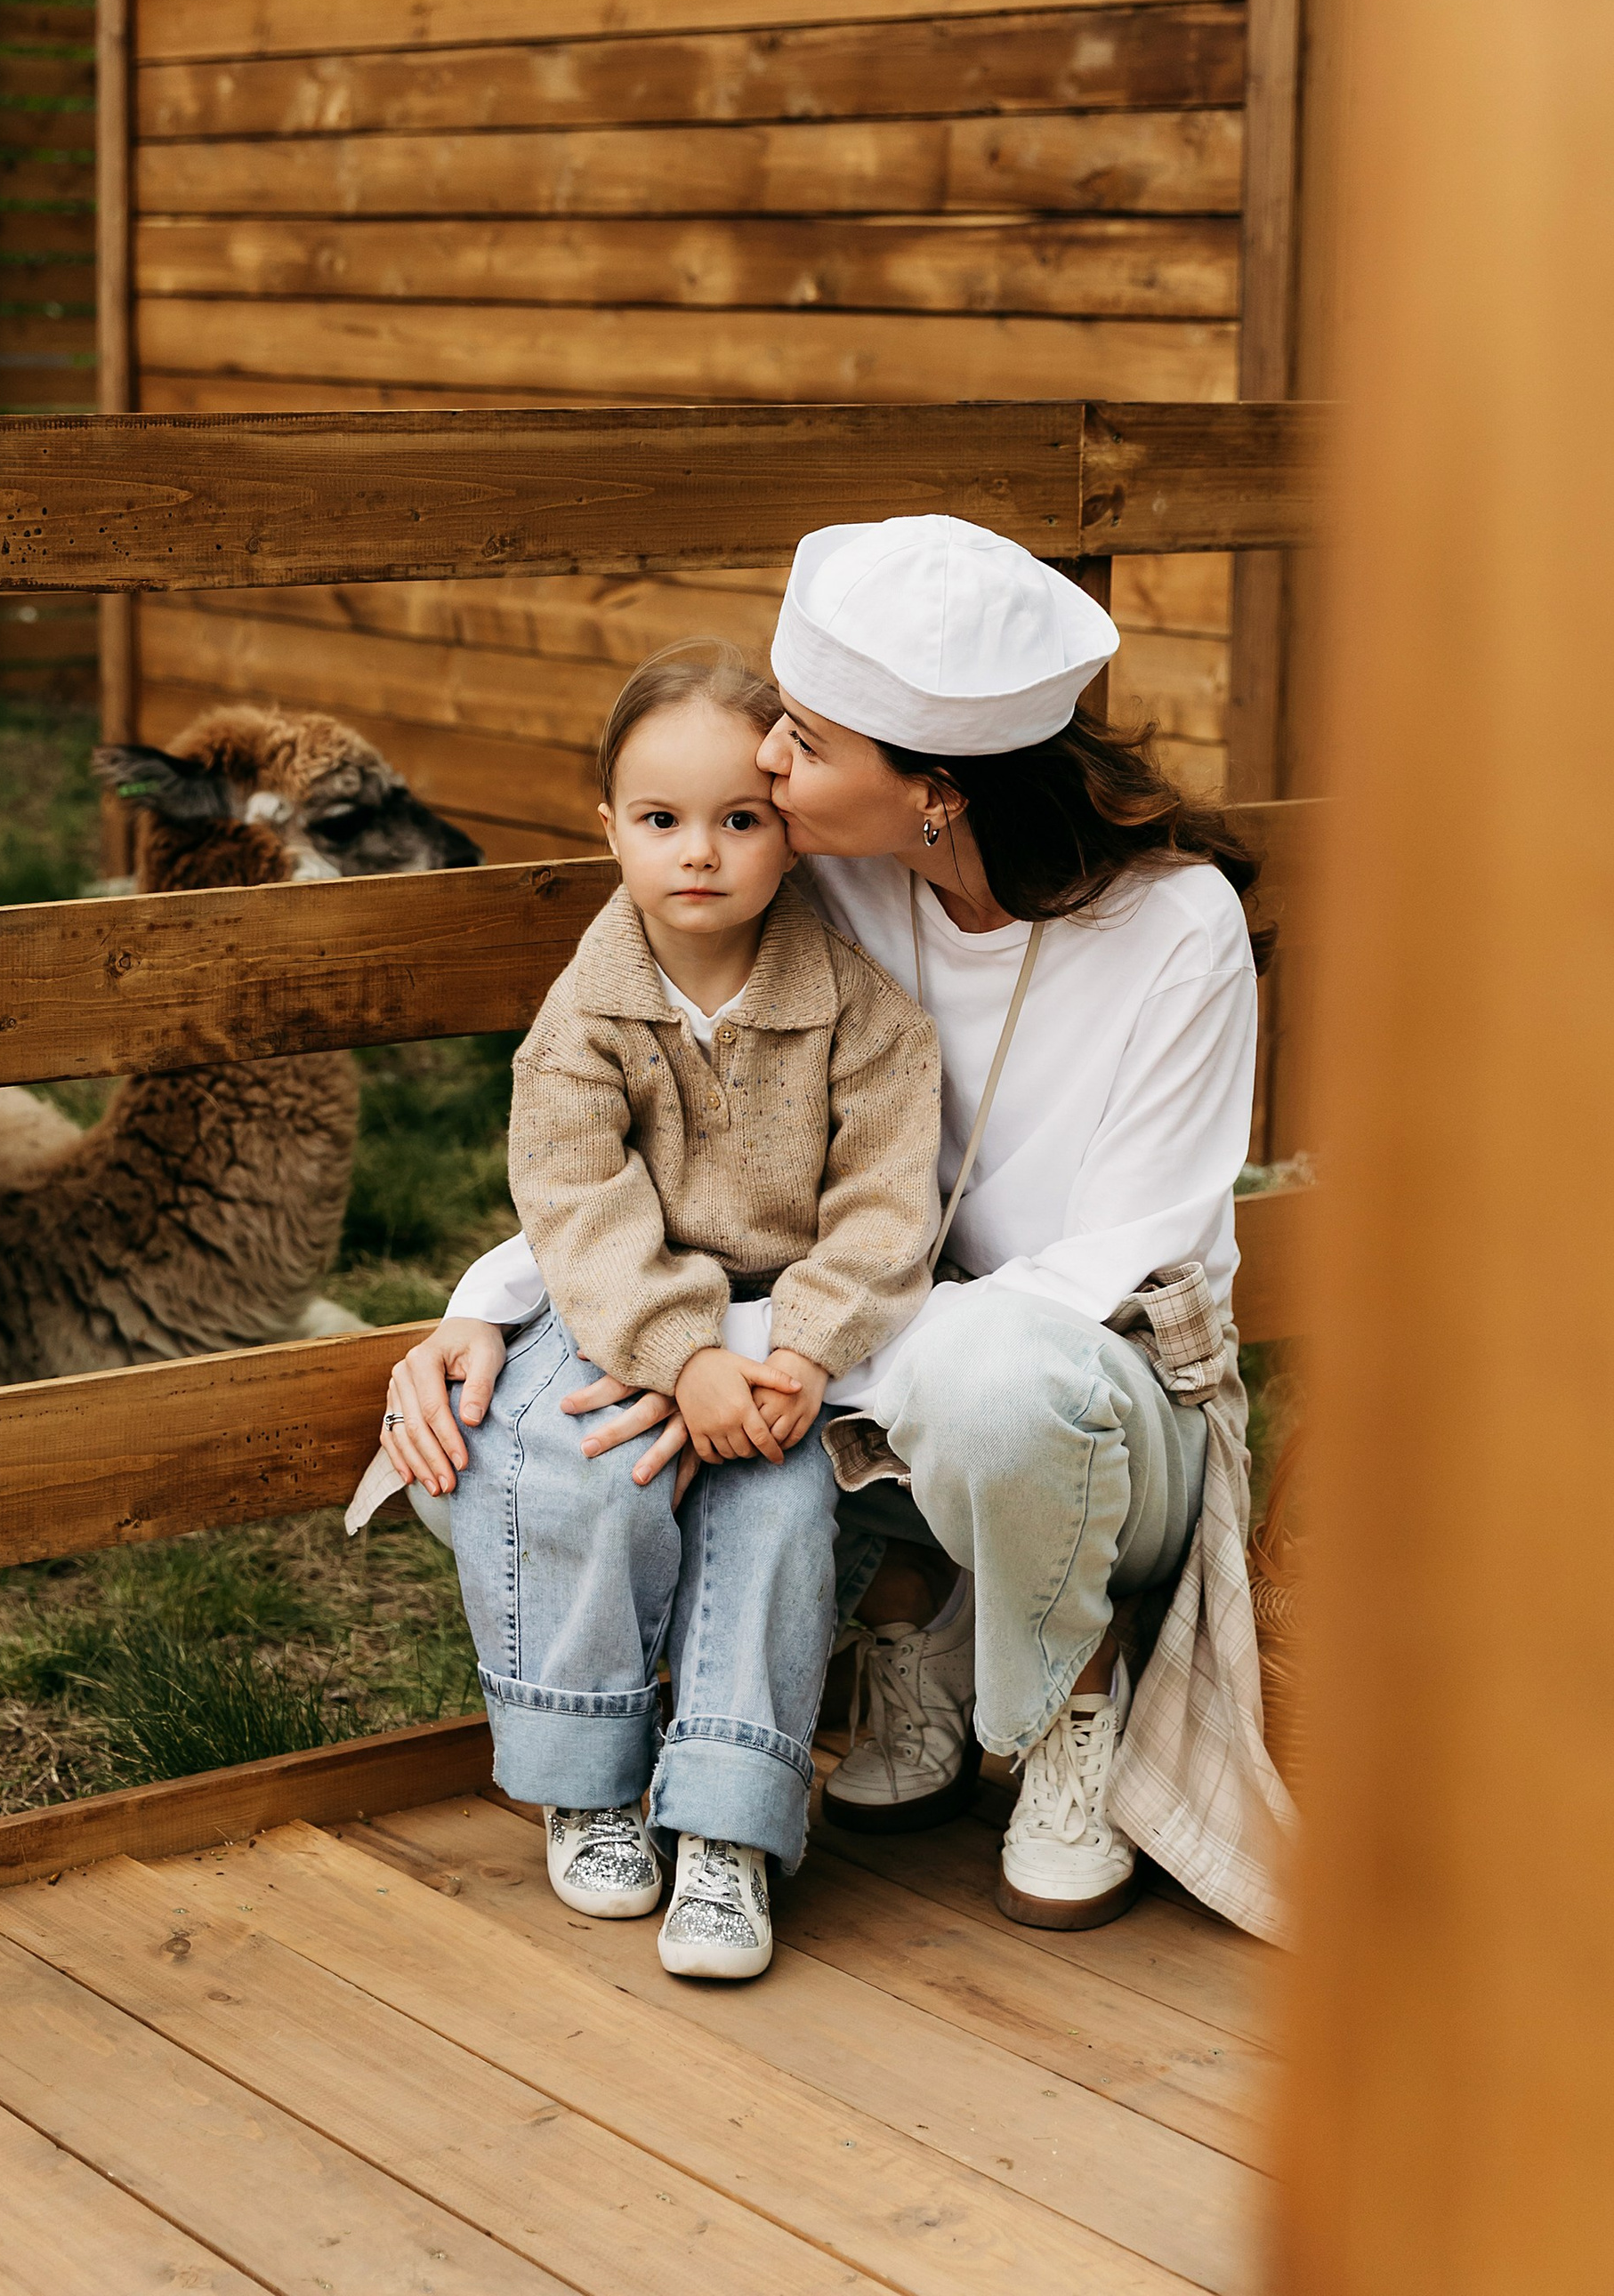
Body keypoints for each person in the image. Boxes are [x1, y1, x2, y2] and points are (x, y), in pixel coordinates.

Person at [373, 517, 1293, 1946]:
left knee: (988, 1381)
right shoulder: (832, 876)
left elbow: (1107, 1264)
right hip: (854, 1352)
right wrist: (491, 1307)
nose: (766, 769)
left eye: (800, 741)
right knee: (551, 1434)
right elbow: (670, 1134)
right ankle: (911, 1628)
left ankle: (1082, 1689)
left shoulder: (1174, 935)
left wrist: (732, 1351)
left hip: (1093, 1399)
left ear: (934, 788)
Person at [422, 641, 940, 1982]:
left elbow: (887, 1209)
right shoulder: (583, 1022)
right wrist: (675, 1351)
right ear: (609, 830)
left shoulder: (866, 1018)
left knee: (776, 1508)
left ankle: (728, 1824)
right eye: (660, 821)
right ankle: (587, 1771)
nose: (697, 853)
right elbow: (576, 1207)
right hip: (618, 1315)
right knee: (579, 1456)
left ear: (791, 835)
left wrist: (801, 1352)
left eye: (739, 820)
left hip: (791, 1343)